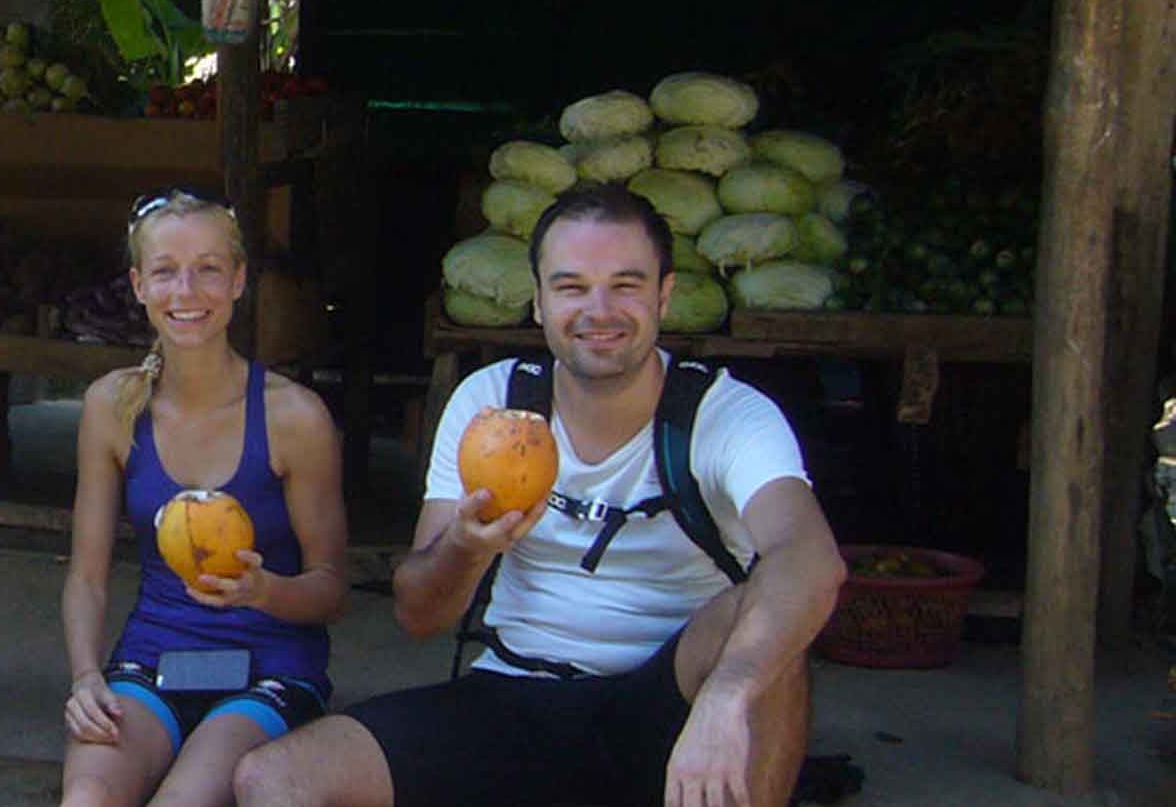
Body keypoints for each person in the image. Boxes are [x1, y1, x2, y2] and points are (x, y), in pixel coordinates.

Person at [233, 183, 847, 807]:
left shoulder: (725, 414)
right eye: (572, 286)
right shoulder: (491, 403)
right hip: (514, 696)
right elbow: (419, 615)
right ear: (539, 301)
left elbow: (808, 557)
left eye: (627, 285)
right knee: (274, 779)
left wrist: (726, 697)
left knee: (769, 633)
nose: (599, 310)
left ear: (665, 295)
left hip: (670, 701)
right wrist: (467, 548)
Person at [60, 187, 351, 806]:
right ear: (139, 285)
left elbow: (331, 590)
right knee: (87, 797)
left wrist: (264, 589)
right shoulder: (112, 406)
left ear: (239, 281)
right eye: (165, 272)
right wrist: (86, 677)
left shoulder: (294, 417)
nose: (185, 292)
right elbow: (87, 575)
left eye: (208, 270)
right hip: (153, 656)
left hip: (270, 662)